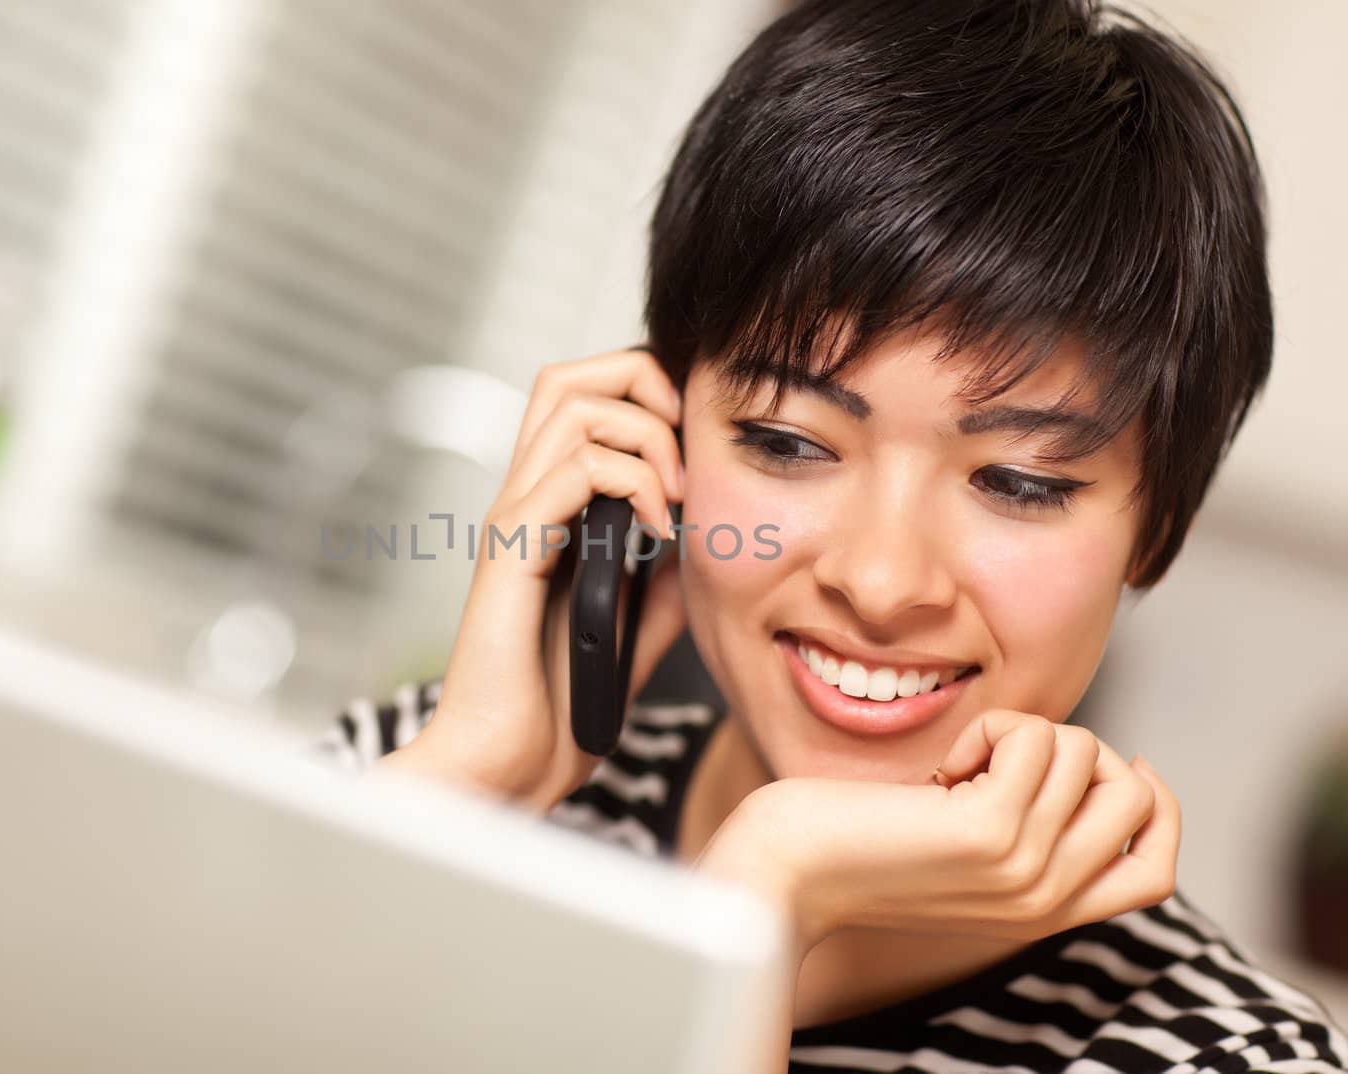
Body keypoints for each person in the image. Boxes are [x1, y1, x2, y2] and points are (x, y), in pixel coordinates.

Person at [311, 1, 1348, 1070]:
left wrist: (769, 890)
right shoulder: (411, 786)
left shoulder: (1225, 1058)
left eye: (1016, 481)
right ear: (657, 436)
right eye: (786, 442)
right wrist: (468, 793)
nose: (880, 580)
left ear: (1157, 524)